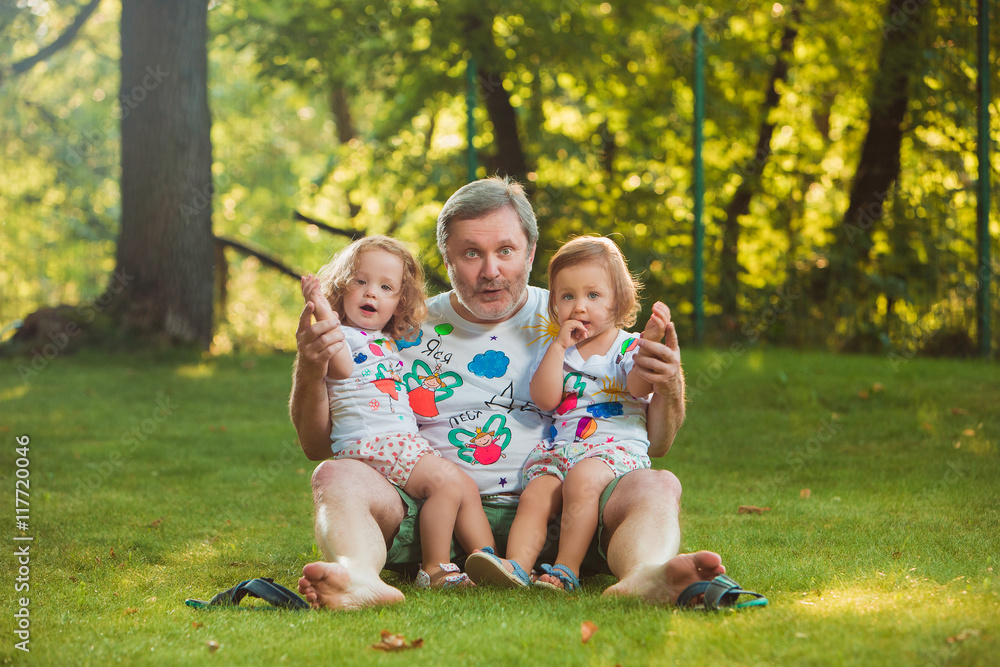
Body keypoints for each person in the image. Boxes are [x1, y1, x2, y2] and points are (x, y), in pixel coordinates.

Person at [292, 177, 726, 610]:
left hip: (572, 514)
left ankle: (646, 574)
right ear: (447, 259)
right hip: (432, 518)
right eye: (470, 253)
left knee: (656, 483)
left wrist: (669, 385)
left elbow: (659, 442)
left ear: (530, 253)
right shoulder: (401, 325)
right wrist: (311, 369)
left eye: (505, 251)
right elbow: (316, 446)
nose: (490, 271)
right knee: (335, 475)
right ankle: (359, 577)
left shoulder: (577, 313)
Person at [464, 236, 667, 591]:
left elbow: (638, 388)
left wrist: (650, 344)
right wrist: (559, 346)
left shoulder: (628, 346)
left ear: (617, 300)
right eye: (567, 296)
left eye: (593, 295)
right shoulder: (557, 350)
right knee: (536, 494)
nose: (579, 307)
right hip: (563, 449)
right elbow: (545, 398)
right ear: (554, 302)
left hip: (613, 448)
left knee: (582, 482)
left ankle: (565, 570)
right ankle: (515, 567)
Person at [299, 235, 493, 588]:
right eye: (360, 281)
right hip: (372, 442)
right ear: (341, 288)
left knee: (463, 484)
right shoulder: (341, 335)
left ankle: (491, 560)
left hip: (397, 441)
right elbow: (341, 368)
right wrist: (320, 308)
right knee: (446, 484)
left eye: (386, 287)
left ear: (398, 302)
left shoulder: (385, 341)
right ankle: (434, 568)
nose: (371, 293)